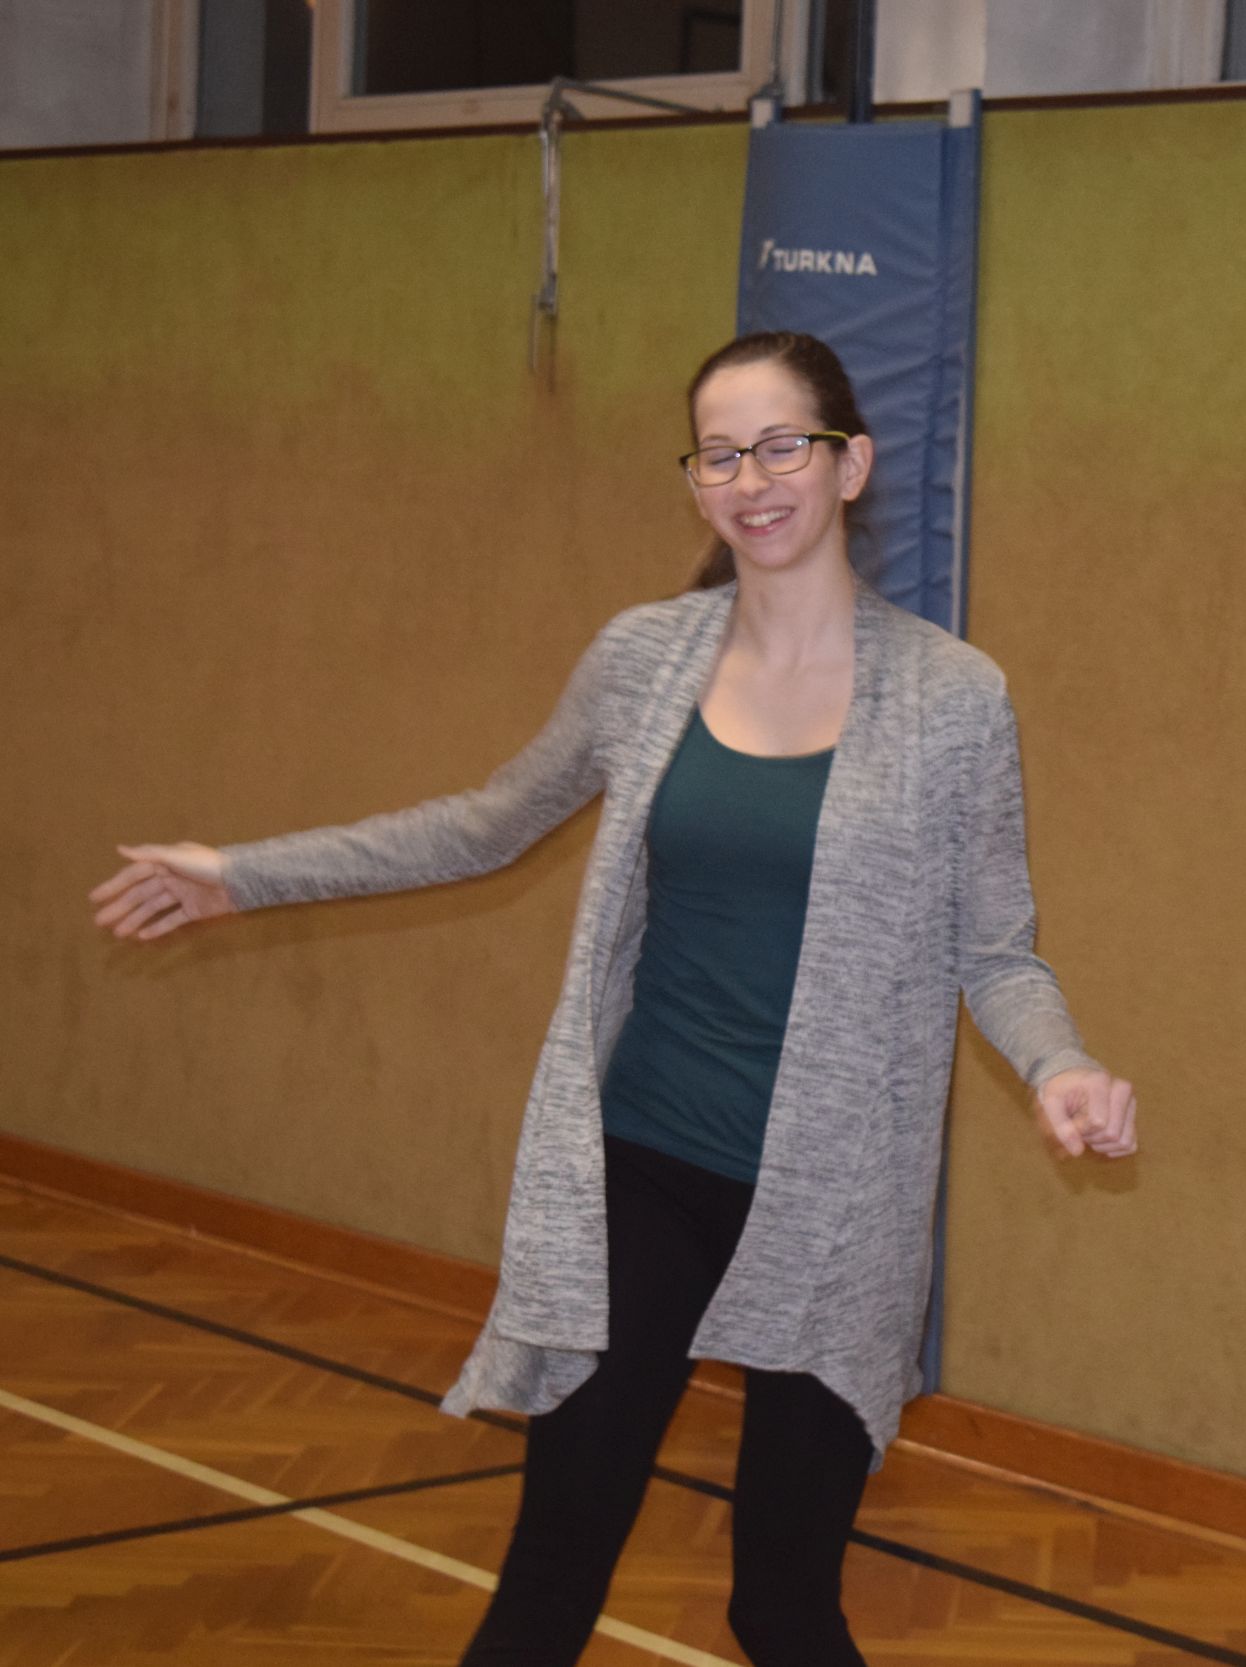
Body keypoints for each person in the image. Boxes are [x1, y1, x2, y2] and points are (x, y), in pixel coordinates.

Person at [88, 329, 1138, 1666]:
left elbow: (995, 951)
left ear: (851, 463)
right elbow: (486, 823)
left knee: (782, 1607)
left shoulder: (954, 698)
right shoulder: (644, 658)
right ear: (694, 480)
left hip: (837, 1207)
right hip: (640, 1167)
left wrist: (1060, 1065)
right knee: (549, 1581)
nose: (751, 479)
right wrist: (242, 875)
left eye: (782, 446)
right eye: (719, 454)